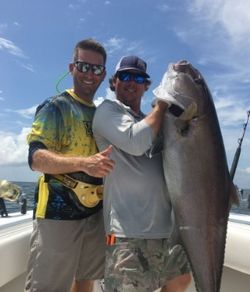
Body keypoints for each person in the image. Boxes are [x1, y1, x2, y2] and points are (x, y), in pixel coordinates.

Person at [92, 55, 191, 292]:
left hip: (166, 229)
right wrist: (163, 103)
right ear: (114, 82)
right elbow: (136, 142)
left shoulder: (153, 119)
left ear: (146, 85)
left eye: (138, 78)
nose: (131, 81)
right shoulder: (108, 110)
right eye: (125, 76)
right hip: (128, 232)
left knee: (180, 280)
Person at [24, 39, 114, 292]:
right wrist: (84, 163)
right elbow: (36, 159)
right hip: (57, 215)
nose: (89, 74)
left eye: (96, 69)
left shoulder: (102, 114)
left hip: (95, 215)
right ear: (72, 67)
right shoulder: (56, 106)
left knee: (86, 280)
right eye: (83, 66)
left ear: (103, 74)